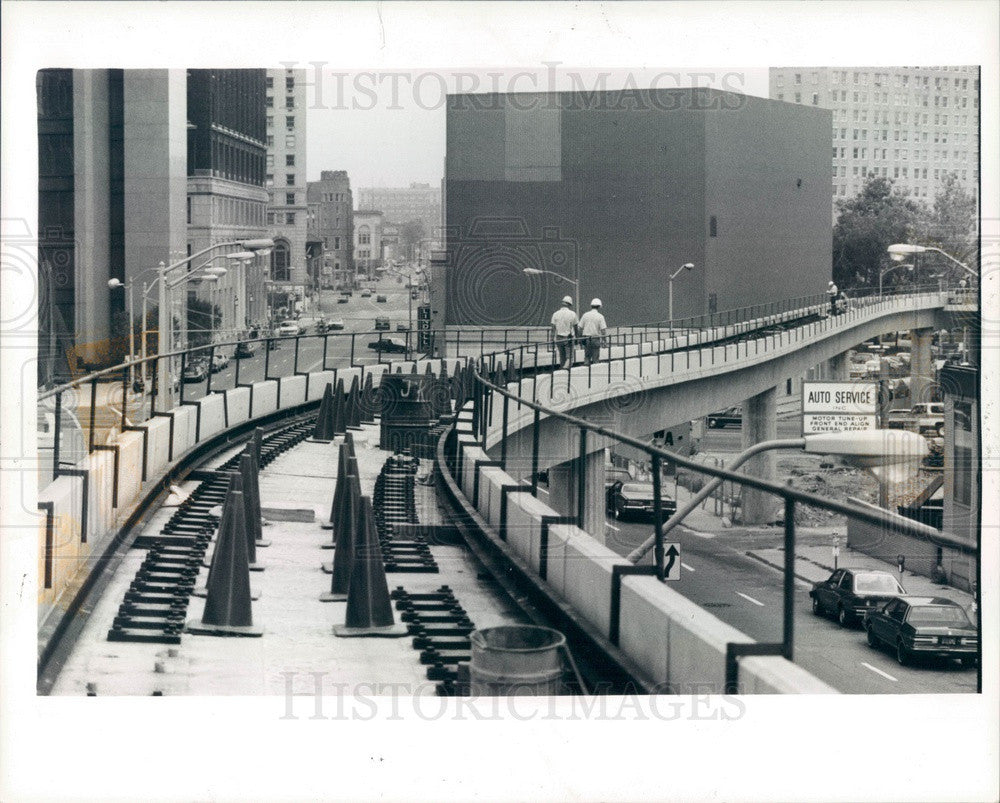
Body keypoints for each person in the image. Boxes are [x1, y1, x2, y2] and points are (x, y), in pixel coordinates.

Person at [550, 295, 579, 369]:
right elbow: (576, 328)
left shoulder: (555, 314)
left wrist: (551, 340)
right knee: (569, 358)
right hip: (568, 338)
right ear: (570, 304)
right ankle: (565, 370)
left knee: (562, 358)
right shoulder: (573, 314)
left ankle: (561, 371)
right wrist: (577, 339)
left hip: (559, 338)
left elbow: (553, 329)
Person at [579, 298, 608, 366]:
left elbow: (580, 327)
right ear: (599, 307)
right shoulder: (600, 316)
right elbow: (603, 330)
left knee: (587, 356)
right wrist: (604, 341)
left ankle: (586, 369)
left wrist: (580, 338)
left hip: (586, 338)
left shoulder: (585, 315)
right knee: (595, 358)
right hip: (595, 338)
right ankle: (595, 371)